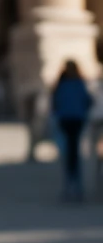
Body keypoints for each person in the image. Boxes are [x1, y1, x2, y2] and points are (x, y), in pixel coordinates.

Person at [51, 59, 94, 201]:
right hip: (71, 119)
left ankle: (74, 185)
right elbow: (87, 100)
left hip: (72, 119)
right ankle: (72, 185)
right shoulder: (75, 83)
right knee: (71, 152)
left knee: (72, 152)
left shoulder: (64, 84)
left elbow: (55, 103)